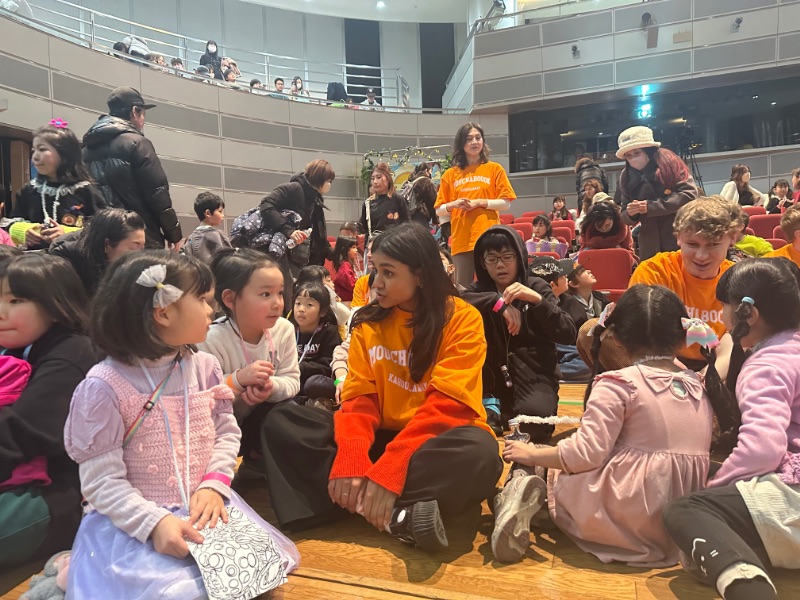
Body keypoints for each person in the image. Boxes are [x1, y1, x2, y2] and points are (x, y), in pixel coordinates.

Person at [65, 251, 299, 597]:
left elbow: (225, 432)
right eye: (203, 300)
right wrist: (154, 523)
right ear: (163, 312)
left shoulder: (204, 366)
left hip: (205, 505)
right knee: (175, 592)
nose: (211, 310)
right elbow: (100, 481)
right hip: (134, 522)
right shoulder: (104, 387)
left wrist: (214, 484)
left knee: (263, 569)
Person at [261, 223, 502, 550]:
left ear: (420, 275)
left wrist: (393, 466)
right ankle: (396, 514)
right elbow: (359, 401)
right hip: (377, 438)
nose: (376, 283)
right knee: (283, 420)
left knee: (480, 453)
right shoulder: (367, 323)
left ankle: (352, 500)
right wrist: (351, 457)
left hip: (432, 442)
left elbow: (447, 406)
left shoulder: (462, 318)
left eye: (388, 273)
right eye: (375, 270)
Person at [494, 285, 714, 566]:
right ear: (683, 336)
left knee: (535, 458)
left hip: (627, 516)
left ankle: (518, 493)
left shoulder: (618, 384)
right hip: (676, 526)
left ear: (616, 337)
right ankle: (543, 510)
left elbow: (584, 454)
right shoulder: (697, 383)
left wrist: (532, 455)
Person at [663, 258, 800, 600]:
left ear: (748, 315)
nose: (722, 314)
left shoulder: (768, 364)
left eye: (725, 306)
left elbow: (762, 449)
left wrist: (715, 491)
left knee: (688, 508)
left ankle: (749, 589)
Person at [0, 254, 97, 569]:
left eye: (15, 300)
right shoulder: (14, 345)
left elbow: (24, 433)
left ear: (55, 306)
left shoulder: (73, 352)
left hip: (54, 493)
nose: (2, 311)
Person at [462, 225, 576, 441]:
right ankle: (494, 406)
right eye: (492, 259)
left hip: (533, 374)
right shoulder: (478, 291)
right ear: (482, 263)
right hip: (489, 379)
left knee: (534, 427)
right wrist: (496, 302)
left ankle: (502, 412)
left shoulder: (537, 286)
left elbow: (568, 334)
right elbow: (453, 302)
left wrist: (538, 302)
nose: (500, 265)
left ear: (520, 257)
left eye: (507, 257)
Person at [198, 248, 300, 477]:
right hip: (218, 430)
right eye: (265, 294)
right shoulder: (211, 339)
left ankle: (258, 466)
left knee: (289, 410)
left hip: (258, 425)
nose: (278, 303)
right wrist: (237, 380)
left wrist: (271, 387)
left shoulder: (284, 329)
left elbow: (293, 379)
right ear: (230, 299)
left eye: (280, 293)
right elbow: (201, 397)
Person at [83, 87, 183, 249]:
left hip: (101, 238)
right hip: (138, 236)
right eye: (143, 114)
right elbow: (157, 192)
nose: (143, 120)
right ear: (134, 111)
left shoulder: (86, 150)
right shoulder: (137, 143)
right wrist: (174, 233)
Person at [435, 123, 516, 287]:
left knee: (493, 286)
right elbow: (439, 211)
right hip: (462, 240)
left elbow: (506, 203)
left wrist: (480, 202)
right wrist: (454, 204)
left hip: (489, 237)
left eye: (478, 138)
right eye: (469, 139)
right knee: (463, 287)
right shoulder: (450, 174)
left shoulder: (494, 169)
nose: (474, 142)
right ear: (461, 143)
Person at [237, 159, 335, 286]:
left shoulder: (315, 198)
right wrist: (288, 230)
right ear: (318, 177)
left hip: (297, 255)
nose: (329, 184)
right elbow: (266, 205)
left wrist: (334, 253)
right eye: (328, 180)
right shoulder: (294, 188)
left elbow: (317, 233)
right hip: (278, 250)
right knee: (284, 289)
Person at [11, 120, 105, 249]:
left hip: (73, 257)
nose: (35, 157)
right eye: (34, 150)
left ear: (65, 154)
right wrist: (25, 231)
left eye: (42, 149)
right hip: (35, 258)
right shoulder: (29, 191)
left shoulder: (86, 191)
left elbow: (102, 228)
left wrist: (67, 233)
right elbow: (12, 222)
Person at [616, 126, 698, 260]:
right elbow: (624, 215)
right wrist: (631, 213)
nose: (633, 158)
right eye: (628, 155)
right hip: (649, 244)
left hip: (678, 236)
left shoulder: (670, 164)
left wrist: (651, 207)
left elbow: (689, 195)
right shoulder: (626, 177)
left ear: (649, 150)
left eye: (637, 152)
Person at [49, 208, 146, 295]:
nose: (140, 254)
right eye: (135, 246)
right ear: (107, 245)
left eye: (142, 247)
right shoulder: (66, 265)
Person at [290, 282, 341, 396]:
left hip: (318, 378)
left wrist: (301, 368)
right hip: (294, 377)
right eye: (298, 303)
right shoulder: (289, 329)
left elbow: (328, 365)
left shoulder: (328, 331)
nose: (301, 309)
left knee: (313, 384)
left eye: (309, 305)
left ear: (322, 311)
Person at [359, 163, 409, 244]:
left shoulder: (398, 200)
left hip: (394, 245)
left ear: (388, 178)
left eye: (378, 177)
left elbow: (407, 225)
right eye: (372, 178)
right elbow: (364, 228)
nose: (375, 182)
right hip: (374, 245)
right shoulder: (368, 203)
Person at [183, 191, 231, 262]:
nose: (223, 215)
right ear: (208, 213)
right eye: (220, 211)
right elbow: (229, 259)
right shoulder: (218, 235)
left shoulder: (190, 238)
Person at [332, 235, 358, 303]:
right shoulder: (345, 267)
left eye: (356, 247)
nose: (356, 250)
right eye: (353, 247)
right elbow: (352, 286)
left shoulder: (347, 265)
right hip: (346, 302)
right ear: (345, 249)